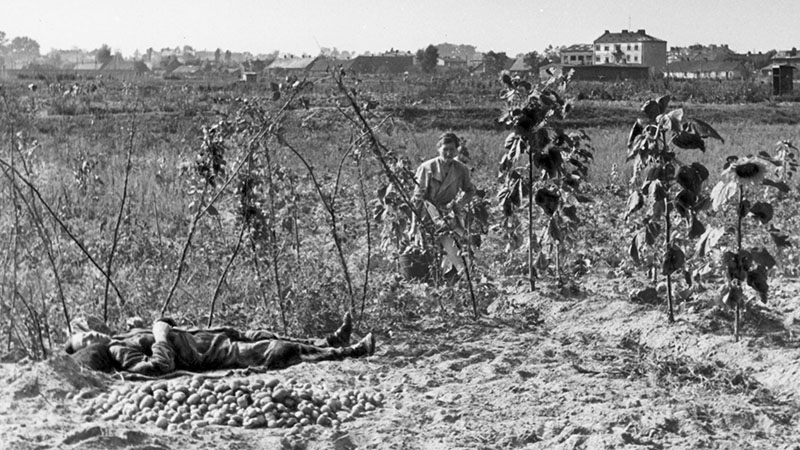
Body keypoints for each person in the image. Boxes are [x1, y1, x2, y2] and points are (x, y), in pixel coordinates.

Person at [65, 312, 375, 375]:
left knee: (268, 336)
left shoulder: (120, 336)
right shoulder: (118, 350)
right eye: (86, 341)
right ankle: (348, 352)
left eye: (89, 332)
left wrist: (159, 326)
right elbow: (157, 367)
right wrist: (159, 336)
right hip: (210, 353)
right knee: (279, 351)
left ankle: (330, 340)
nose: (93, 336)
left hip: (207, 337)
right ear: (88, 351)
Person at [410, 132, 476, 275]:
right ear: (438, 148)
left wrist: (460, 203)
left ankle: (462, 280)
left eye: (452, 149)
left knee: (457, 248)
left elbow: (470, 190)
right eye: (445, 149)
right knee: (428, 253)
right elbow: (417, 199)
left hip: (448, 214)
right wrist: (413, 226)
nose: (448, 153)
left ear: (457, 150)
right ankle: (436, 281)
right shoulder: (427, 168)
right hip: (428, 214)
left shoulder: (461, 169)